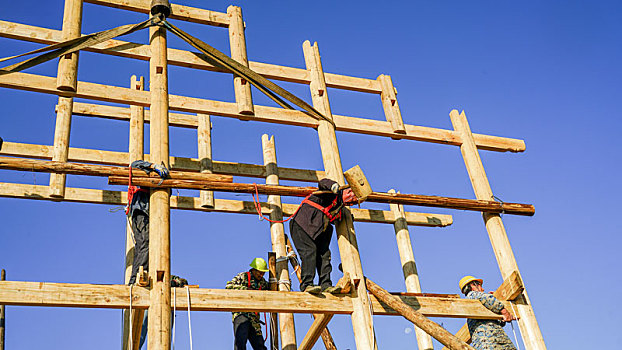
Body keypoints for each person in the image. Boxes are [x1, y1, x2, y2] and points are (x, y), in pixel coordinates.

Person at [289, 178, 357, 294]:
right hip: (302, 224)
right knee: (309, 252)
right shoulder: (330, 193)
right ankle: (307, 284)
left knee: (325, 256)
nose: (352, 199)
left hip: (318, 230)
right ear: (345, 190)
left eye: (354, 200)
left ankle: (325, 284)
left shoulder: (339, 206)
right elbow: (323, 182)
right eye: (351, 194)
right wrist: (334, 186)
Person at [126, 160, 169, 285]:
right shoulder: (144, 173)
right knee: (145, 243)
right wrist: (153, 166)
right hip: (141, 212)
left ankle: (142, 273)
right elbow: (133, 165)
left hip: (151, 215)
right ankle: (137, 276)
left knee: (147, 245)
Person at [459, 275, 517, 350]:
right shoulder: (472, 295)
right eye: (479, 285)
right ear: (473, 285)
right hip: (492, 342)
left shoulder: (475, 304)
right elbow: (486, 298)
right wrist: (504, 311)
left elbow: (500, 322)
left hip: (490, 343)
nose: (483, 289)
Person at [226, 258, 270, 350]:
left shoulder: (262, 283)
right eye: (259, 272)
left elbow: (272, 289)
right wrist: (245, 290)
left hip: (254, 318)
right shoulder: (243, 276)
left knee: (260, 345)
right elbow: (229, 286)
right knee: (240, 341)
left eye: (263, 273)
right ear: (253, 269)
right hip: (241, 313)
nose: (261, 275)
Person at [137, 275, 189, 349]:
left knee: (165, 332)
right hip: (151, 303)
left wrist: (175, 282)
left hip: (166, 305)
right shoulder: (149, 277)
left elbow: (183, 281)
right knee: (142, 329)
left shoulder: (171, 278)